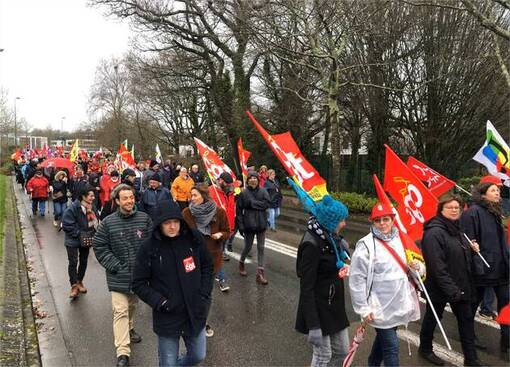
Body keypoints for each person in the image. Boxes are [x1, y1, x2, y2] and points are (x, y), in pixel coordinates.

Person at [133, 200, 213, 367]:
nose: (172, 227)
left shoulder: (193, 238)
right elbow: (138, 283)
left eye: (175, 222)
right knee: (168, 363)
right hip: (168, 315)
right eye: (167, 223)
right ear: (159, 224)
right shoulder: (148, 247)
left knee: (198, 355)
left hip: (194, 311)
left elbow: (207, 265)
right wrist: (160, 302)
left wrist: (204, 294)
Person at [349, 202, 425, 367]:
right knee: (391, 347)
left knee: (384, 341)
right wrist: (363, 308)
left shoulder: (403, 240)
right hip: (379, 308)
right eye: (378, 220)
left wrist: (417, 267)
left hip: (399, 304)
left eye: (386, 219)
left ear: (392, 220)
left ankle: (373, 363)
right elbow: (357, 280)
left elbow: (420, 265)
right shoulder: (366, 246)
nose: (382, 223)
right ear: (372, 222)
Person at [419, 194, 483, 366]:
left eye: (457, 207)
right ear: (441, 209)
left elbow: (459, 257)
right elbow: (437, 266)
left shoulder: (458, 230)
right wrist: (452, 290)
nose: (455, 210)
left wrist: (471, 250)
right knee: (433, 318)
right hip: (440, 286)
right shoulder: (434, 232)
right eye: (450, 207)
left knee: (466, 321)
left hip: (460, 286)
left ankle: (471, 359)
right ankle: (425, 349)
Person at [93, 184, 152, 367]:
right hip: (117, 275)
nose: (129, 201)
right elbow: (99, 246)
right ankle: (123, 353)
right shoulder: (108, 223)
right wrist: (115, 266)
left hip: (138, 276)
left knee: (132, 306)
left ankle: (130, 327)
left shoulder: (144, 219)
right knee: (120, 311)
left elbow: (153, 244)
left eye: (131, 197)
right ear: (117, 201)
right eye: (125, 198)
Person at [295, 195, 350, 367]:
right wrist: (313, 326)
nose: (344, 224)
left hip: (334, 306)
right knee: (323, 355)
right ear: (330, 222)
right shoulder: (311, 245)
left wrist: (339, 243)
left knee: (342, 351)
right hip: (318, 309)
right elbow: (307, 288)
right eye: (341, 220)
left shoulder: (329, 236)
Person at [461, 182, 510, 357]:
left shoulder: (495, 212)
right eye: (493, 190)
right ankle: (468, 338)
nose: (498, 193)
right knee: (472, 306)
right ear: (483, 194)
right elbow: (466, 239)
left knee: (506, 306)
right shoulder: (473, 212)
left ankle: (506, 340)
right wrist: (473, 253)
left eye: (498, 190)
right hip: (482, 270)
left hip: (501, 269)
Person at [183, 184, 231, 294]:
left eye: (195, 195)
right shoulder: (187, 212)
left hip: (211, 257)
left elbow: (227, 232)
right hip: (192, 257)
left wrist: (220, 235)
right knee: (192, 289)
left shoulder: (219, 212)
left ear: (204, 196)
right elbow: (182, 233)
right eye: (192, 195)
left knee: (206, 292)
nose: (192, 198)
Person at [61, 185, 99, 299]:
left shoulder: (92, 207)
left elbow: (96, 221)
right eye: (91, 196)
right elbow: (67, 225)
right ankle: (73, 286)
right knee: (73, 262)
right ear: (83, 196)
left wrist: (93, 232)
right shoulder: (73, 208)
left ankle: (79, 281)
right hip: (73, 240)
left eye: (93, 195)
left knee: (83, 261)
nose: (93, 198)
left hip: (86, 239)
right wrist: (80, 234)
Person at [236, 171, 271, 284]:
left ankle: (260, 273)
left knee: (261, 248)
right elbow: (239, 211)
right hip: (248, 225)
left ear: (258, 180)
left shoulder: (263, 191)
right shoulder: (244, 193)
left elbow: (266, 204)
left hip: (261, 224)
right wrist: (240, 226)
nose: (253, 180)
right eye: (250, 178)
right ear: (248, 180)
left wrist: (251, 203)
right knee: (248, 247)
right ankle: (241, 262)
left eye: (255, 178)